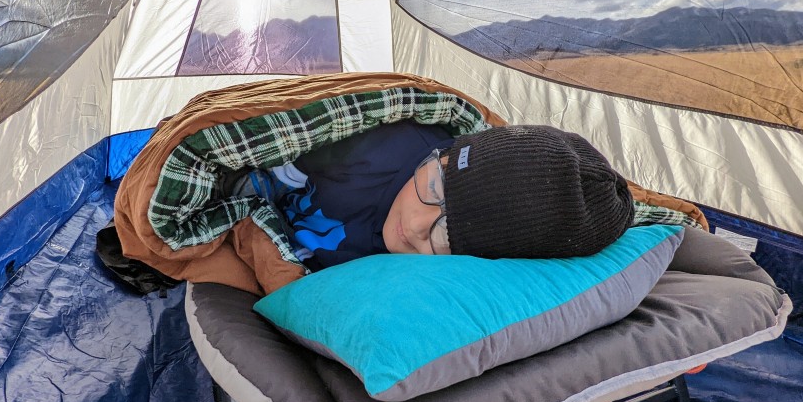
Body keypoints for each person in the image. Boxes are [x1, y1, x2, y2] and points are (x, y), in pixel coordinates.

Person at [241, 120, 636, 270]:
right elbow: (307, 142)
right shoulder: (385, 146)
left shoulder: (421, 275)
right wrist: (280, 176)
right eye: (433, 188)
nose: (414, 227)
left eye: (444, 237)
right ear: (444, 156)